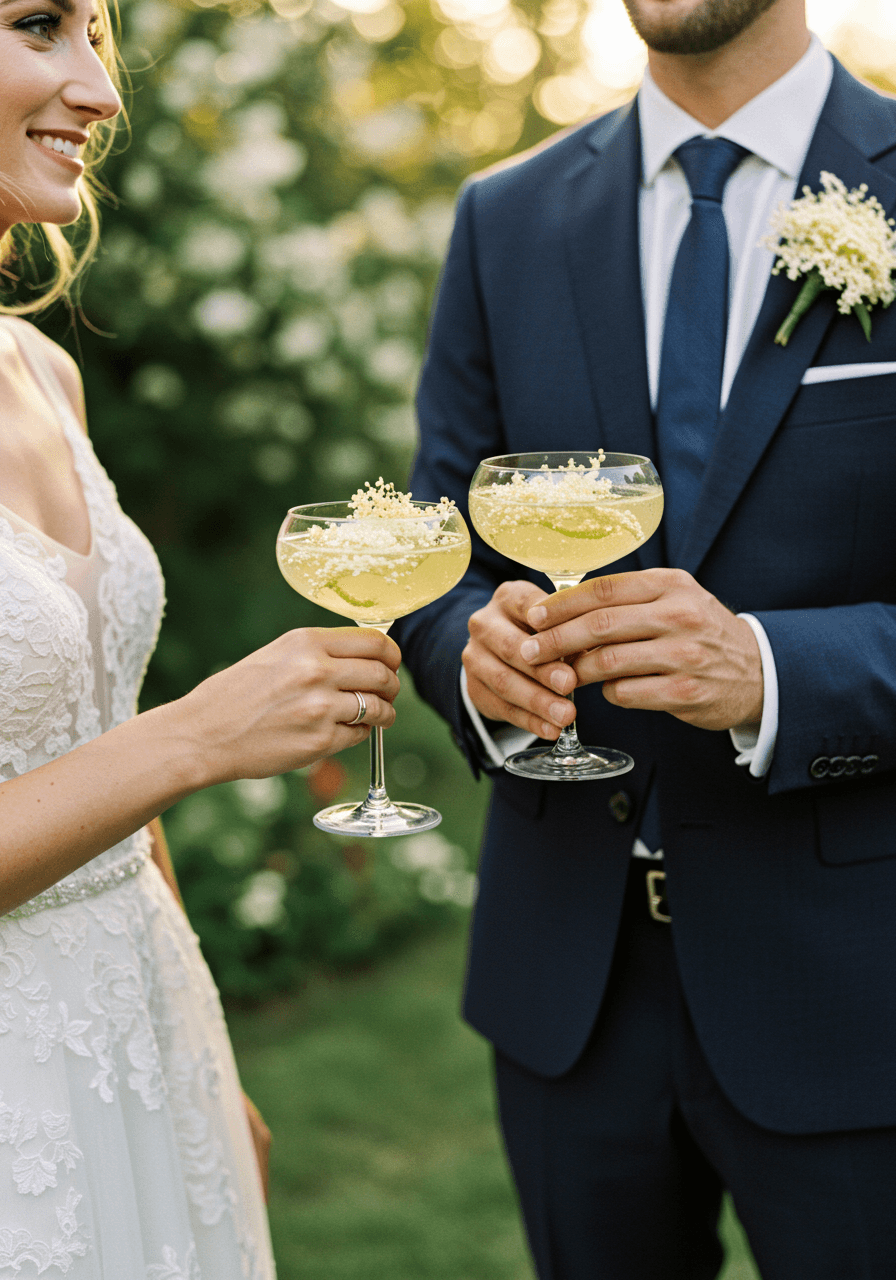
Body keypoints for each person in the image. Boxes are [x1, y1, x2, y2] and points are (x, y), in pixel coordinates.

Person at [394, 0, 896, 1275]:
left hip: (856, 986)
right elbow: (434, 542)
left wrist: (773, 672)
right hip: (564, 985)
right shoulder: (502, 218)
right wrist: (472, 651)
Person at [0, 3, 401, 1276]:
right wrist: (198, 736)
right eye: (37, 28)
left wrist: (207, 1069)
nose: (98, 89)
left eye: (95, 38)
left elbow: (88, 734)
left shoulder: (41, 374)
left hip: (146, 1020)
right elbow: (146, 747)